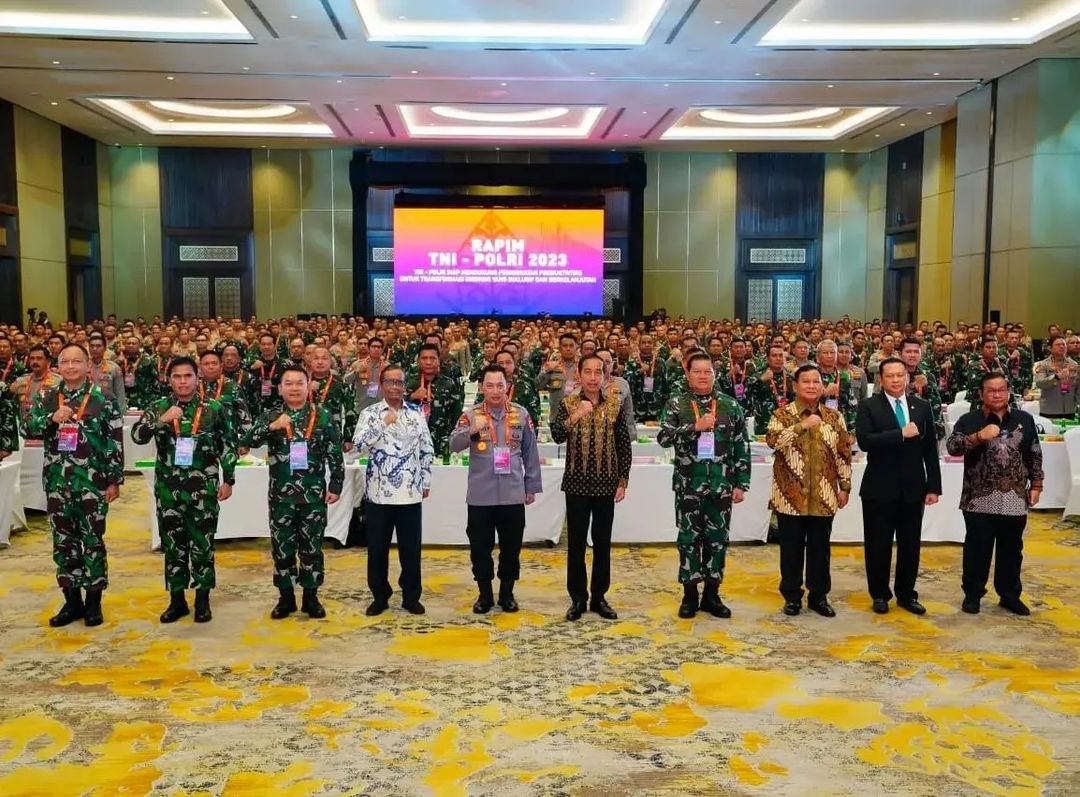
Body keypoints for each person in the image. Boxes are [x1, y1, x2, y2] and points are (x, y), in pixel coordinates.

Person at [131, 357, 236, 623]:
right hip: (169, 490)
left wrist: (229, 479)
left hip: (203, 490)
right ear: (169, 380)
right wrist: (161, 421)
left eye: (188, 376)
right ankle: (177, 600)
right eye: (176, 377)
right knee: (173, 546)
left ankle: (202, 600)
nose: (182, 381)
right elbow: (136, 436)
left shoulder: (213, 408)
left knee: (203, 545)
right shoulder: (159, 407)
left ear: (197, 378)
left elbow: (227, 445)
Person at [25, 343, 123, 628]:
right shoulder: (47, 396)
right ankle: (72, 601)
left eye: (76, 361)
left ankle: (94, 601)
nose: (70, 367)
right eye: (64, 361)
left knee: (92, 540)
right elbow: (27, 427)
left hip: (92, 483)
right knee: (63, 541)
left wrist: (114, 479)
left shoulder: (102, 398)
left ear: (86, 365)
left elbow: (114, 440)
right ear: (56, 365)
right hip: (57, 482)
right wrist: (50, 419)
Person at [246, 366, 344, 620]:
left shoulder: (322, 415)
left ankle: (311, 596)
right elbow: (248, 440)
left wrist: (336, 484)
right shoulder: (272, 414)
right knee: (282, 547)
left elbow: (335, 452)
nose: (294, 388)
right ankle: (286, 598)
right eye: (288, 383)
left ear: (308, 384)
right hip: (281, 497)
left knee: (312, 547)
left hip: (313, 495)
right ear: (280, 388)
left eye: (299, 383)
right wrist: (273, 427)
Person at [657, 352, 751, 619]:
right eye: (696, 371)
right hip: (688, 484)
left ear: (714, 374)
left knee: (718, 540)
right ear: (687, 374)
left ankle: (712, 594)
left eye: (707, 371)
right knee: (688, 540)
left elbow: (740, 446)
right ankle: (689, 595)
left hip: (720, 486)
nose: (702, 376)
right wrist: (693, 427)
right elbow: (664, 437)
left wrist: (741, 483)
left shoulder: (730, 405)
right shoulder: (677, 403)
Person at [947, 372, 1043, 616]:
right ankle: (972, 594)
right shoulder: (969, 420)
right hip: (978, 497)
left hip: (1014, 496)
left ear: (1008, 392)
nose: (997, 394)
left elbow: (1034, 452)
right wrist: (978, 436)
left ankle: (1009, 595)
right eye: (991, 390)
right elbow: (953, 448)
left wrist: (1037, 484)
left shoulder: (1024, 419)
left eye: (1001, 389)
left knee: (1012, 549)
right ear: (981, 394)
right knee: (977, 549)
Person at [450, 364, 542, 614]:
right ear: (481, 387)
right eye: (489, 385)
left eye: (499, 385)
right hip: (481, 496)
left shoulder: (521, 415)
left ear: (507, 386)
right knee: (480, 548)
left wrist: (531, 485)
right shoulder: (471, 415)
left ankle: (507, 594)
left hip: (513, 493)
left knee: (511, 548)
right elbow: (453, 445)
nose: (495, 390)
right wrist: (472, 430)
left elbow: (530, 453)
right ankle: (484, 595)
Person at [854, 357, 942, 615]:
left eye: (899, 375)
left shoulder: (922, 406)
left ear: (907, 377)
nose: (895, 380)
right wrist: (900, 434)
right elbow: (865, 441)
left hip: (913, 488)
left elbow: (929, 449)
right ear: (880, 380)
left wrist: (933, 486)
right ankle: (880, 594)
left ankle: (906, 594)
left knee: (910, 545)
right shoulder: (869, 406)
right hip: (879, 488)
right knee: (877, 545)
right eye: (889, 376)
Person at [550, 354, 632, 621]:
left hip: (606, 484)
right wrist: (575, 415)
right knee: (575, 544)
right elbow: (557, 435)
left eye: (599, 372)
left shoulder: (615, 405)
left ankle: (599, 596)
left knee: (602, 542)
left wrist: (623, 480)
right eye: (588, 372)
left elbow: (623, 444)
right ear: (579, 376)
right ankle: (577, 598)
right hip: (576, 484)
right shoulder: (568, 403)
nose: (593, 377)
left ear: (605, 376)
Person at [766, 364, 852, 618]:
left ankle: (818, 596)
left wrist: (844, 486)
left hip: (824, 495)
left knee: (820, 549)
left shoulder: (834, 417)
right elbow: (773, 442)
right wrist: (802, 426)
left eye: (816, 381)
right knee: (790, 549)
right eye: (806, 381)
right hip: (789, 497)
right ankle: (792, 597)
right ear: (795, 386)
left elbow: (844, 454)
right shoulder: (782, 415)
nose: (812, 386)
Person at [353, 365, 434, 616]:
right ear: (382, 384)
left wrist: (426, 481)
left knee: (411, 549)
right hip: (378, 494)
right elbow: (359, 446)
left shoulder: (415, 413)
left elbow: (426, 449)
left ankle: (411, 596)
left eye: (400, 382)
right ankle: (380, 595)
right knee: (377, 548)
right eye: (390, 382)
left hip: (410, 493)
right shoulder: (370, 413)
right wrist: (382, 425)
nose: (395, 387)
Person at [405, 342, 463, 460]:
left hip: (442, 444)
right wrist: (411, 397)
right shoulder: (408, 383)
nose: (428, 362)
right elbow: (396, 411)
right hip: (412, 443)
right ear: (418, 361)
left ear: (438, 360)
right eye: (424, 358)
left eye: (432, 358)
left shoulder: (448, 384)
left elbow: (456, 415)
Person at [1032, 336, 1079, 420]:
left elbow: (1078, 387)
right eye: (1058, 344)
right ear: (1050, 348)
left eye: (1063, 344)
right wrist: (1056, 377)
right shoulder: (1042, 365)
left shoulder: (1074, 365)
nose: (1061, 347)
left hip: (1070, 409)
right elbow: (1039, 383)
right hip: (1050, 410)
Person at [537, 333, 579, 426]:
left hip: (579, 417)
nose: (568, 348)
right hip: (556, 418)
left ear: (576, 348)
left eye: (571, 346)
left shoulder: (583, 367)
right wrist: (546, 370)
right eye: (565, 346)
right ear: (560, 348)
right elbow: (538, 385)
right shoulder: (551, 366)